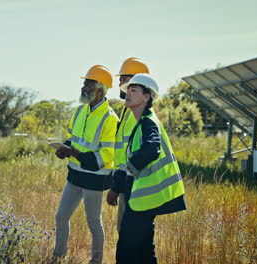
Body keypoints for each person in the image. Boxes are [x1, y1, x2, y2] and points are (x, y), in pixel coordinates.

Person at [113, 74, 186, 263]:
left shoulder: (148, 122)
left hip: (144, 200)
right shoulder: (141, 122)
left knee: (126, 252)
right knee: (145, 252)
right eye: (128, 90)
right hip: (142, 198)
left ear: (146, 97)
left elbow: (152, 149)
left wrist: (131, 167)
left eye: (134, 90)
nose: (128, 93)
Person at [53, 65, 119, 264]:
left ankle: (96, 261)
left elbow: (107, 155)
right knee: (61, 217)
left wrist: (77, 154)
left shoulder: (110, 118)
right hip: (75, 175)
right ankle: (58, 256)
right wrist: (64, 149)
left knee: (93, 223)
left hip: (94, 179)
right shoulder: (79, 111)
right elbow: (72, 138)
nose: (83, 87)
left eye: (87, 84)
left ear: (99, 88)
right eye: (84, 83)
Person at [106, 57, 150, 235]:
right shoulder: (128, 110)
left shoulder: (137, 112)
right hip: (127, 181)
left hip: (133, 184)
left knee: (129, 234)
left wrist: (116, 186)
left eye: (124, 79)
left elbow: (134, 153)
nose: (119, 82)